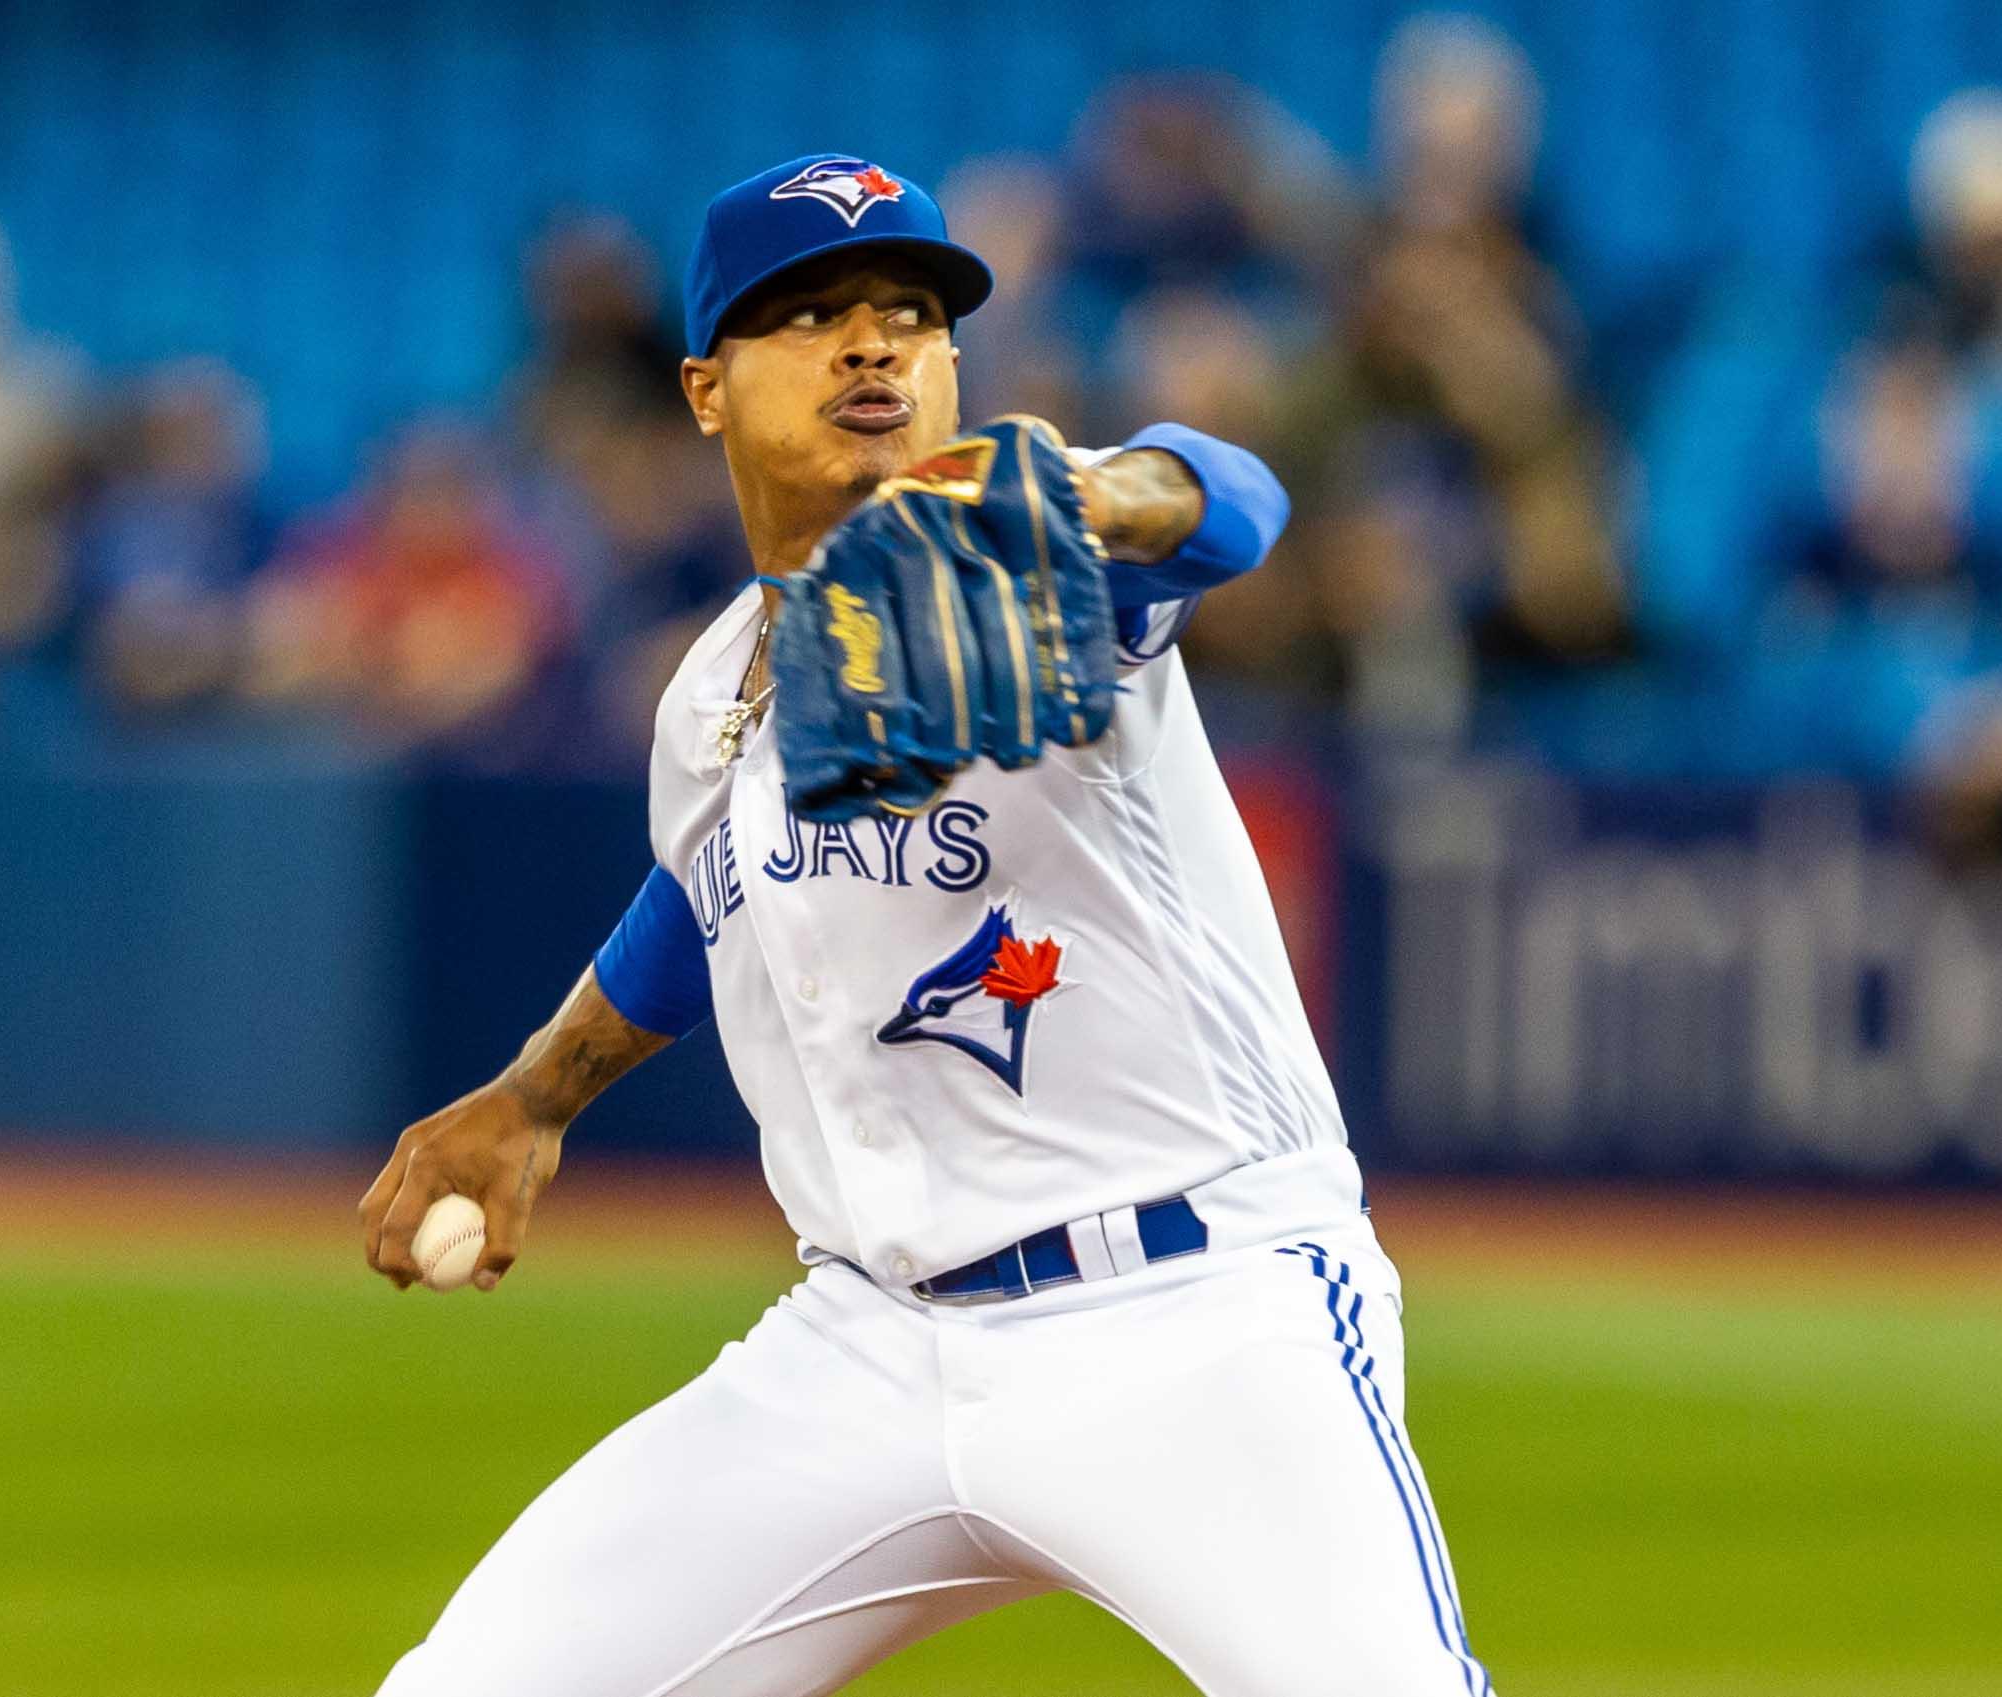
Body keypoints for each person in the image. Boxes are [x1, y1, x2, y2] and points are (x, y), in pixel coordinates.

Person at [359, 154, 1496, 1697]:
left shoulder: (1033, 547)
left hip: (1190, 1315)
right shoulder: (709, 691)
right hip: (868, 1347)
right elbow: (710, 896)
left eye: (908, 312)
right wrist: (535, 1095)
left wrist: (1105, 493)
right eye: (812, 314)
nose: (873, 344)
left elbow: (1230, 503)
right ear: (705, 388)